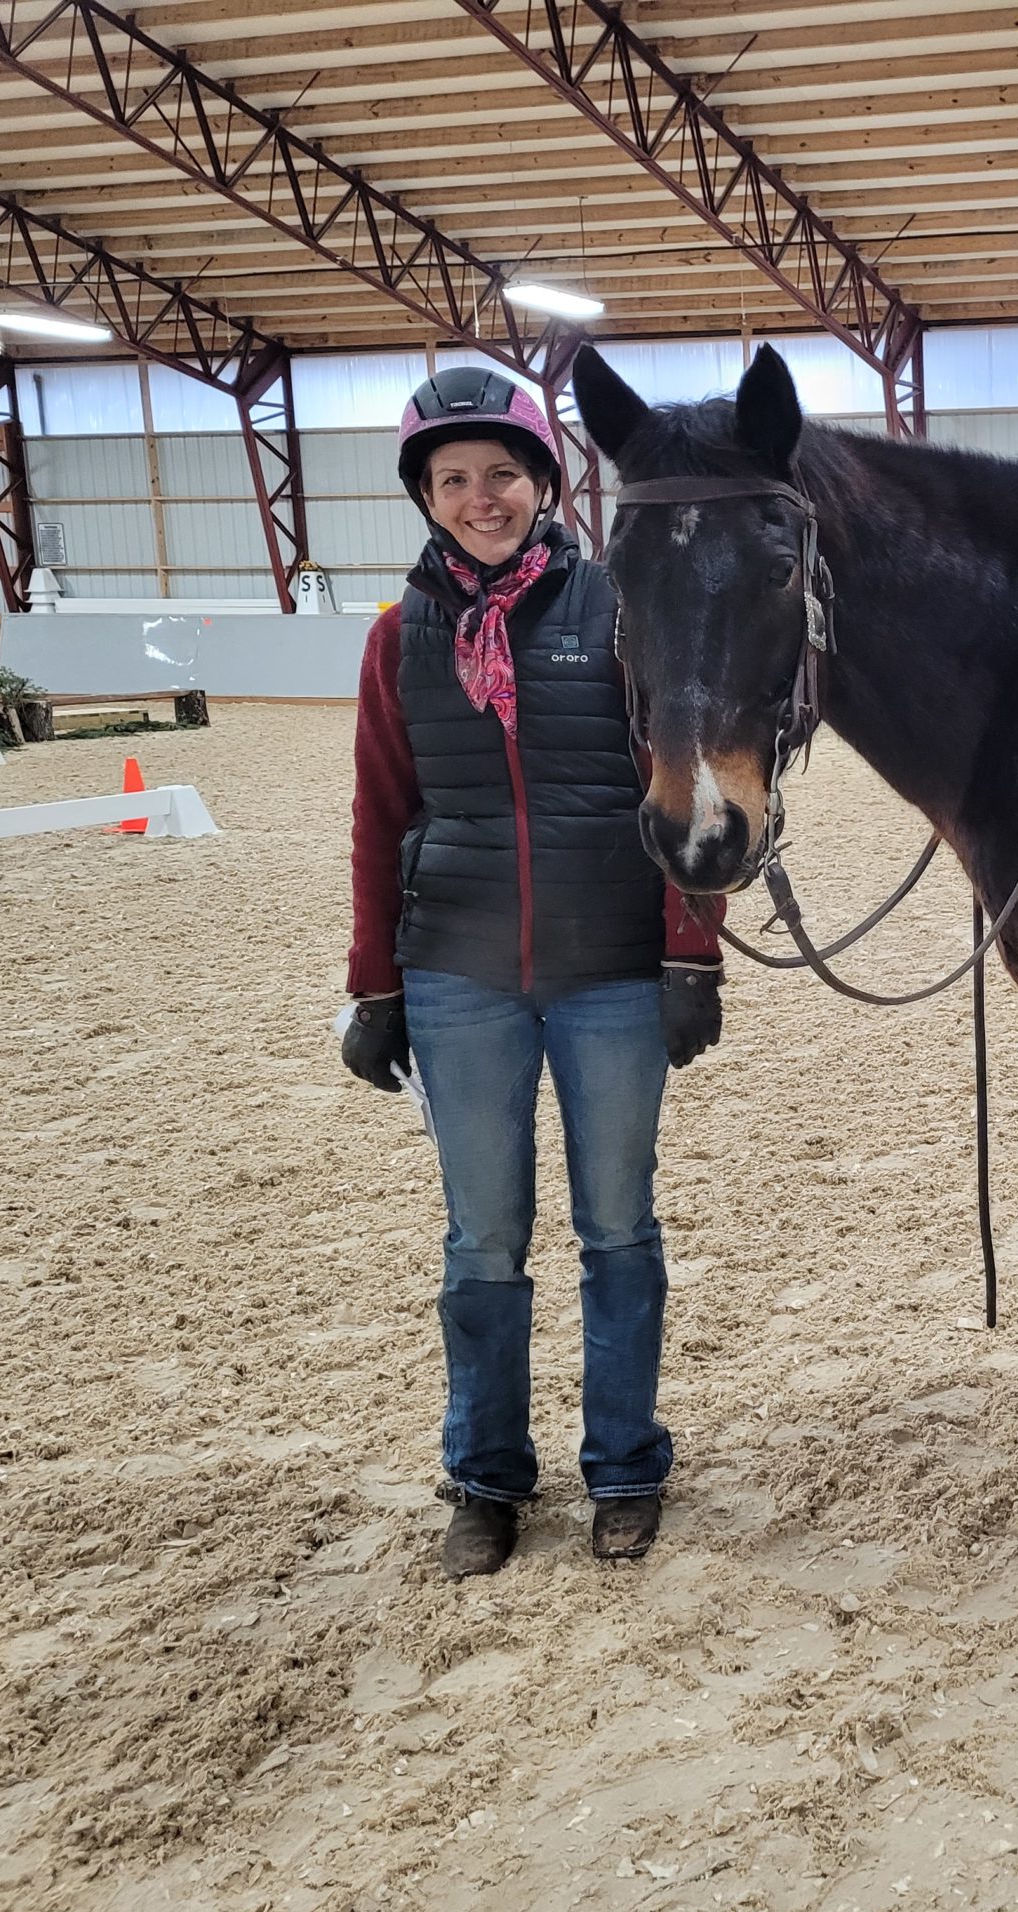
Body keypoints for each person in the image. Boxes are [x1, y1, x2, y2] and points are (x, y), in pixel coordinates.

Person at [338, 366, 725, 1580]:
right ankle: (488, 1478)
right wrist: (374, 985)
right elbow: (377, 814)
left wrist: (687, 949)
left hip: (609, 967)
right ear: (426, 497)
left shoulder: (617, 610)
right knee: (483, 1242)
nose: (479, 497)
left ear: (545, 479)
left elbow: (680, 779)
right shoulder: (401, 639)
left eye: (501, 472)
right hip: (457, 976)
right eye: (452, 480)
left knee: (617, 1229)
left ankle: (623, 1465)